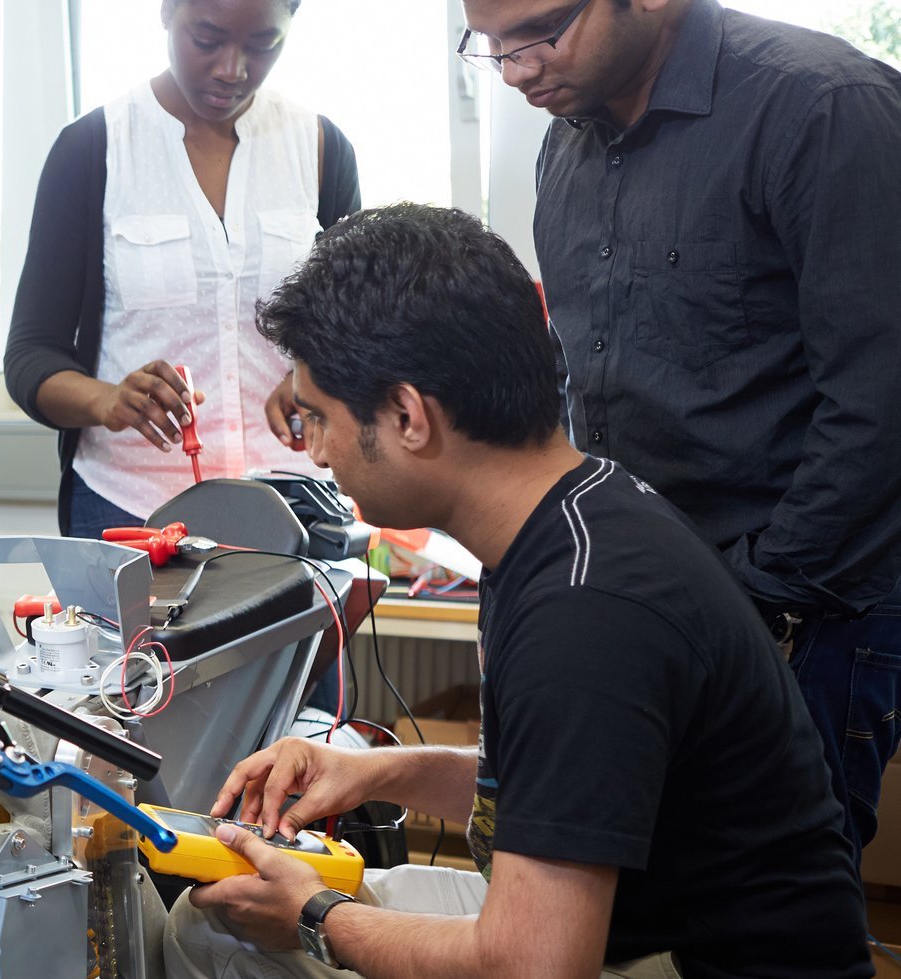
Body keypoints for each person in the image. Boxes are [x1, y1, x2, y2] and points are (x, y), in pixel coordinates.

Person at [163, 204, 870, 978]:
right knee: (214, 926)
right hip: (623, 928)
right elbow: (568, 786)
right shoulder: (573, 511)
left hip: (677, 962)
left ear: (407, 416)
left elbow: (535, 966)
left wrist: (314, 918)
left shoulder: (583, 610)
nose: (320, 451)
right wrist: (371, 770)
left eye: (319, 417)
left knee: (227, 938)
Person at [445, 0, 901, 865]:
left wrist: (755, 596)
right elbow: (586, 379)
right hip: (658, 590)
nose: (514, 70)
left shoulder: (823, 107)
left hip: (810, 603)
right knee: (651, 890)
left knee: (770, 900)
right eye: (490, 45)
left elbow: (879, 407)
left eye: (538, 32)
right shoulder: (568, 139)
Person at [3, 0, 361, 540]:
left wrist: (308, 375)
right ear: (167, 12)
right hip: (130, 504)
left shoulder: (320, 147)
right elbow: (30, 357)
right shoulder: (92, 149)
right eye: (208, 38)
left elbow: (360, 327)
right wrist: (107, 400)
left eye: (263, 44)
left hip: (295, 501)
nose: (232, 69)